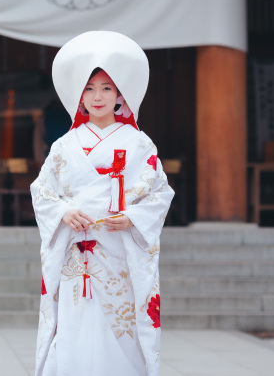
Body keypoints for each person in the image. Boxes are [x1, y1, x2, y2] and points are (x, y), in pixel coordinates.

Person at [31, 31, 174, 376]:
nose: (97, 97)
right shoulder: (64, 145)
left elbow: (160, 192)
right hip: (75, 251)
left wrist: (134, 217)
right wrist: (65, 212)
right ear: (78, 97)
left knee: (120, 328)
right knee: (74, 326)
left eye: (106, 88)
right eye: (90, 89)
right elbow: (42, 190)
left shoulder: (140, 144)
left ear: (120, 95)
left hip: (119, 251)